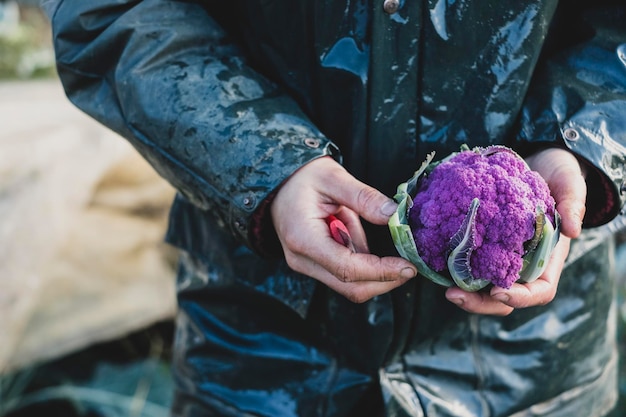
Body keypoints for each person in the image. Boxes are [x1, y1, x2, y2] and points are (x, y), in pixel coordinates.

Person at [45, 0, 626, 416]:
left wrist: (578, 142)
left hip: (529, 362)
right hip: (263, 342)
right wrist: (267, 163)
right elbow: (110, 11)